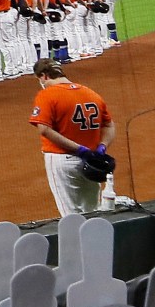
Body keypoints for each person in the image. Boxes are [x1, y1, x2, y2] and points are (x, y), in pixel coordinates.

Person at [30, 60, 113, 216]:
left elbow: (44, 129)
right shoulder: (90, 93)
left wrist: (78, 149)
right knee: (93, 211)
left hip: (62, 160)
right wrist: (103, 146)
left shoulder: (47, 95)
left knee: (71, 216)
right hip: (92, 161)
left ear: (44, 76)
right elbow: (109, 125)